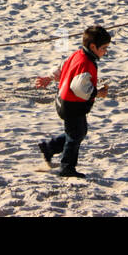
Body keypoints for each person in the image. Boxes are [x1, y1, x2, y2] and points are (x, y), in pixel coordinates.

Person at [35, 25, 111, 178]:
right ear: (93, 46)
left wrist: (49, 77)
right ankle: (67, 167)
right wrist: (98, 93)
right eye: (103, 48)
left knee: (77, 132)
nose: (105, 52)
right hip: (72, 105)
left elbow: (63, 67)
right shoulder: (86, 63)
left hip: (64, 101)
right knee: (75, 135)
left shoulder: (78, 54)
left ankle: (49, 147)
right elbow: (78, 87)